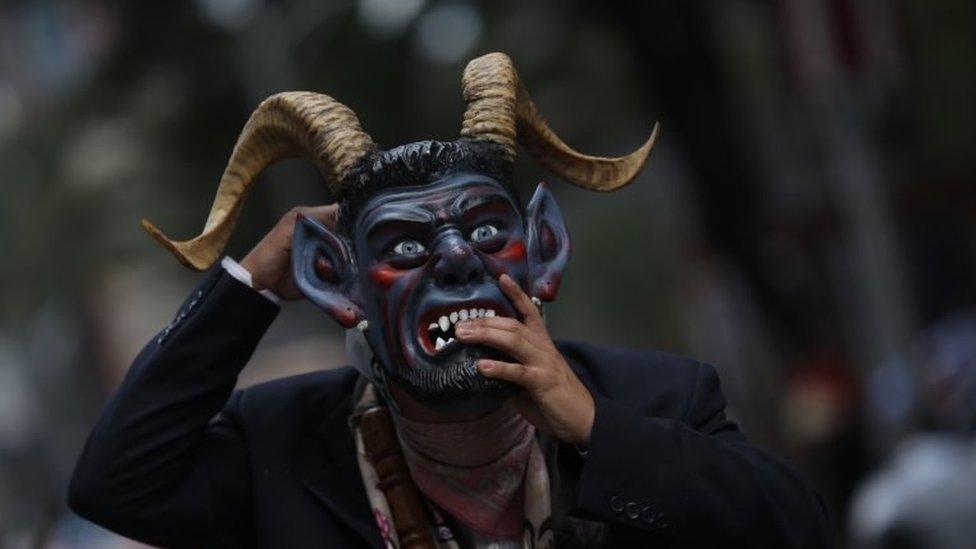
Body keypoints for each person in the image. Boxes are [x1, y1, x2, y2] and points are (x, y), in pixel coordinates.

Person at [68, 53, 831, 548]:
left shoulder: (662, 400)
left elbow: (798, 531)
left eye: (487, 229)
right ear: (337, 280)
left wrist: (596, 427)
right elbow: (116, 480)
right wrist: (257, 280)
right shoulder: (281, 451)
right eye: (405, 245)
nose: (459, 258)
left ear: (544, 250)